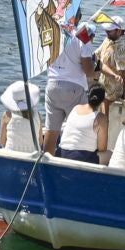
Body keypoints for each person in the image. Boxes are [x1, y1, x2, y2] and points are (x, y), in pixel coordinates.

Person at [43, 22, 98, 154]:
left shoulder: (51, 32)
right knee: (79, 129)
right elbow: (88, 70)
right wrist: (94, 64)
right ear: (77, 17)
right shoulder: (82, 36)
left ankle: (46, 162)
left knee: (51, 130)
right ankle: (74, 160)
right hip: (74, 88)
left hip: (52, 85)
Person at [56, 84, 110, 163]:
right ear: (102, 100)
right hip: (81, 158)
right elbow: (102, 148)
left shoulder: (76, 108)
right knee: (110, 154)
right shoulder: (101, 118)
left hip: (61, 153)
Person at [0, 79, 39, 148]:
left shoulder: (7, 115)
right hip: (33, 155)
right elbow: (40, 141)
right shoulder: (37, 115)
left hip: (11, 154)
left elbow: (2, 142)